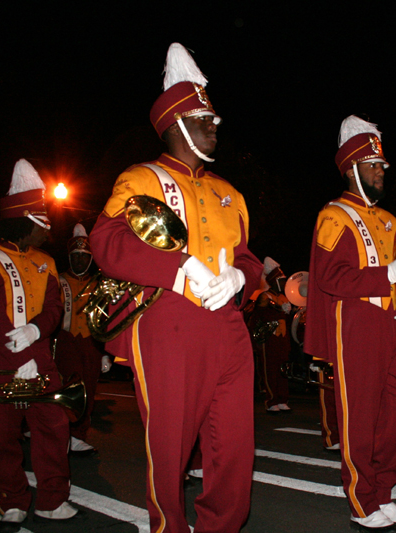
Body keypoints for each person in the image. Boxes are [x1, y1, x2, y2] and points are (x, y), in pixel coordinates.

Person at [90, 43, 262, 533]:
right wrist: (179, 266)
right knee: (169, 446)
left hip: (230, 326)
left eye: (214, 118)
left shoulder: (230, 192)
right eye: (205, 118)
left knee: (234, 447)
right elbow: (107, 240)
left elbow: (247, 256)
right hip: (168, 323)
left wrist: (241, 277)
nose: (216, 125)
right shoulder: (141, 178)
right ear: (177, 123)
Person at [305, 115, 396, 529]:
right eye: (373, 165)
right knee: (361, 415)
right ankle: (362, 499)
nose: (381, 171)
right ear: (351, 168)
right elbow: (329, 277)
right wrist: (387, 274)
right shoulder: (333, 215)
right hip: (354, 323)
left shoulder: (389, 220)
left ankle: (383, 490)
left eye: (382, 165)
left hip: (391, 322)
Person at [0, 159, 76, 533]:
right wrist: (20, 357)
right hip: (0, 360)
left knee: (54, 430)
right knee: (3, 436)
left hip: (41, 359)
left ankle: (53, 501)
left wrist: (36, 332)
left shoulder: (46, 261)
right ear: (24, 221)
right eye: (42, 222)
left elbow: (54, 307)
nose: (47, 229)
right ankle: (13, 501)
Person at [55, 223, 109, 454]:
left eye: (84, 256)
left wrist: (106, 352)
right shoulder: (57, 280)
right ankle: (63, 432)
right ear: (69, 257)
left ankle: (78, 434)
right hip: (65, 340)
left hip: (91, 343)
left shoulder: (99, 284)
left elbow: (106, 320)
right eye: (76, 256)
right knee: (68, 389)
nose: (80, 260)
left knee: (89, 389)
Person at [250, 257, 292, 412]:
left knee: (283, 369)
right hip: (269, 338)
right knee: (270, 369)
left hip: (282, 338)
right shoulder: (264, 297)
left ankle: (282, 398)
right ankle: (271, 400)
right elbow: (257, 318)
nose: (284, 283)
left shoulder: (284, 297)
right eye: (281, 280)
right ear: (274, 281)